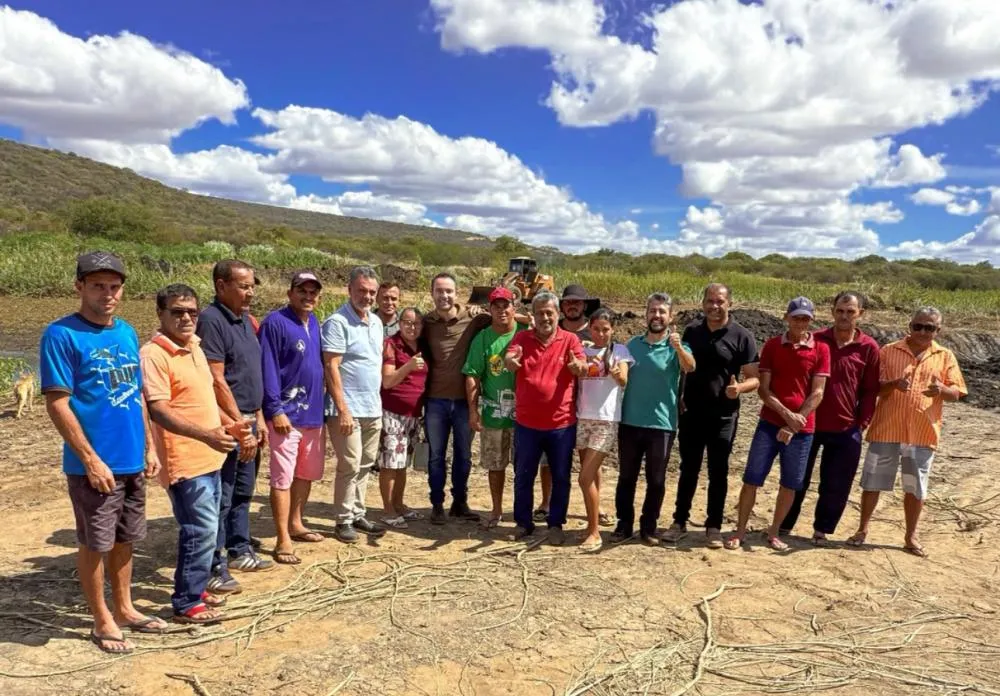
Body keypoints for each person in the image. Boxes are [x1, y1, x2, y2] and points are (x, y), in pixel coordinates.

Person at [40, 251, 165, 654]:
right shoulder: (62, 335)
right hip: (94, 464)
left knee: (126, 538)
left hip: (132, 458)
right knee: (95, 542)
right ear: (79, 287)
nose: (107, 294)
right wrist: (91, 459)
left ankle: (125, 607)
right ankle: (101, 619)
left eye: (114, 286)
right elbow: (58, 403)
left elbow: (137, 396)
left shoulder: (127, 332)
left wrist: (150, 445)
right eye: (97, 286)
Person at [141, 284, 247, 624]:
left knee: (211, 524)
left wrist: (231, 423)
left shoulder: (195, 346)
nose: (186, 317)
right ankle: (186, 602)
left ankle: (198, 587)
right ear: (160, 314)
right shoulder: (153, 355)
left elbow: (207, 395)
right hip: (185, 459)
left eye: (191, 311)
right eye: (177, 312)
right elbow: (159, 410)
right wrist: (206, 435)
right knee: (198, 529)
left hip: (211, 453)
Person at [848, 307, 967, 557]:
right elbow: (872, 389)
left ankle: (910, 536)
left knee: (915, 488)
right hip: (886, 430)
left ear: (938, 330)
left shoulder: (945, 356)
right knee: (873, 483)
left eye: (929, 327)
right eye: (918, 326)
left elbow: (957, 392)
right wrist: (893, 385)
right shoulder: (889, 351)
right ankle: (862, 530)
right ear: (909, 326)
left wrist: (942, 390)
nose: (923, 332)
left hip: (922, 433)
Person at [726, 297, 830, 552]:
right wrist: (786, 416)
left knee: (790, 483)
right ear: (786, 317)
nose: (800, 322)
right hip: (770, 424)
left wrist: (795, 422)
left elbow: (817, 393)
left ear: (811, 320)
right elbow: (764, 389)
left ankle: (773, 532)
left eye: (805, 318)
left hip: (802, 430)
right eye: (796, 317)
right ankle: (740, 530)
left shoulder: (821, 350)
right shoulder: (773, 346)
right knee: (752, 477)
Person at [779, 291, 880, 544]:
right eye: (840, 310)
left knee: (836, 483)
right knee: (797, 477)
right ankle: (784, 525)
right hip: (809, 423)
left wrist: (863, 423)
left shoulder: (868, 347)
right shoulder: (816, 340)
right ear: (832, 311)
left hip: (846, 427)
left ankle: (822, 529)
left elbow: (870, 390)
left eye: (851, 312)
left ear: (861, 314)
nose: (844, 316)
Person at [663, 283, 759, 549]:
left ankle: (713, 526)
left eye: (720, 301)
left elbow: (755, 379)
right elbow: (683, 368)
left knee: (718, 471)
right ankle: (679, 521)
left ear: (730, 303)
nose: (714, 306)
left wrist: (738, 388)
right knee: (688, 469)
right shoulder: (692, 330)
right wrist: (679, 397)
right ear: (703, 302)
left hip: (723, 416)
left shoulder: (743, 336)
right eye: (710, 301)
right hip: (692, 412)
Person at [197, 260, 273, 591]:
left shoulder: (244, 320)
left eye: (251, 286)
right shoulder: (212, 321)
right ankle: (213, 564)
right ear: (220, 285)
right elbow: (216, 377)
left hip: (249, 417)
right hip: (229, 422)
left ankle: (239, 548)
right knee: (223, 494)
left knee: (244, 489)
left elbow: (248, 374)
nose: (250, 292)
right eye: (243, 286)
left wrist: (258, 417)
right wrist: (239, 423)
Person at [505, 291, 587, 545]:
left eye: (549, 312)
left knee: (561, 476)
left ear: (558, 313)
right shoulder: (522, 337)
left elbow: (583, 365)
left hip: (561, 424)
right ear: (533, 315)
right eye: (540, 313)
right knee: (523, 475)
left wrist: (579, 368)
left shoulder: (570, 340)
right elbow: (510, 357)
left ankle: (555, 524)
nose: (545, 317)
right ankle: (523, 522)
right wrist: (510, 361)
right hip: (527, 424)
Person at [614, 293, 695, 545]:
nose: (656, 316)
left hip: (661, 425)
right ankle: (623, 524)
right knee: (626, 477)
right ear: (645, 314)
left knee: (656, 480)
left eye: (662, 312)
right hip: (630, 422)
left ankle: (649, 527)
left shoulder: (676, 348)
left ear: (670, 317)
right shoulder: (632, 345)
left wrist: (679, 347)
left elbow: (690, 367)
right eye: (652, 311)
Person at [259, 271, 327, 564]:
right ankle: (282, 538)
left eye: (313, 292)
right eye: (303, 291)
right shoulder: (275, 322)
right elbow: (268, 367)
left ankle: (297, 523)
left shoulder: (314, 322)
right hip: (287, 415)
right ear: (290, 293)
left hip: (312, 414)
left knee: (305, 473)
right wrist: (274, 410)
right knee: (282, 478)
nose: (308, 296)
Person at [322, 266, 387, 543]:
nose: (367, 296)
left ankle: (358, 512)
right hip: (347, 409)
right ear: (350, 289)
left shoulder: (376, 321)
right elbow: (331, 366)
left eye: (372, 292)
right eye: (362, 290)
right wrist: (342, 409)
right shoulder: (337, 322)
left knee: (365, 464)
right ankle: (343, 519)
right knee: (349, 464)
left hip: (372, 407)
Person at [420, 272, 490, 524]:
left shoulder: (474, 319)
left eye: (448, 291)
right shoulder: (426, 322)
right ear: (432, 294)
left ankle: (460, 502)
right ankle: (437, 504)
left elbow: (506, 318)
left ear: (456, 293)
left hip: (464, 401)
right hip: (435, 401)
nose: (444, 296)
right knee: (436, 455)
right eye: (439, 291)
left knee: (464, 454)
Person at [535, 284, 601, 522]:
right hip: (556, 406)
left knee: (590, 458)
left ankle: (596, 505)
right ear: (561, 307)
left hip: (588, 404)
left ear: (584, 306)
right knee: (548, 460)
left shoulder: (594, 332)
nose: (572, 306)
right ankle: (546, 501)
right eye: (567, 302)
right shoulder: (552, 328)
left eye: (577, 302)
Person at [463, 287, 526, 529]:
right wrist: (473, 410)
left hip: (526, 417)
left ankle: (523, 510)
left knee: (525, 467)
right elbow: (472, 376)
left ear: (514, 307)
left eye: (506, 305)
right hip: (494, 414)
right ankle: (497, 508)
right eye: (496, 306)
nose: (502, 310)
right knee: (496, 466)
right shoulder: (483, 339)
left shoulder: (525, 333)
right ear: (489, 309)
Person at [575, 308, 633, 552]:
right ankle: (595, 515)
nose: (600, 334)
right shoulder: (582, 349)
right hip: (582, 418)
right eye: (596, 329)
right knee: (592, 472)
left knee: (584, 477)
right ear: (590, 327)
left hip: (606, 420)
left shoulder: (619, 351)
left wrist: (616, 373)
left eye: (606, 329)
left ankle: (594, 532)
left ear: (613, 330)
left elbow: (624, 381)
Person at [378, 306, 428, 529]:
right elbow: (387, 381)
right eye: (407, 322)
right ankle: (388, 509)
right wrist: (408, 366)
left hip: (413, 415)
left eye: (416, 323)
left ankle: (399, 504)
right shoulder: (391, 345)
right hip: (393, 413)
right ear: (399, 323)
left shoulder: (423, 346)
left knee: (402, 464)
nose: (412, 327)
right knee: (389, 464)